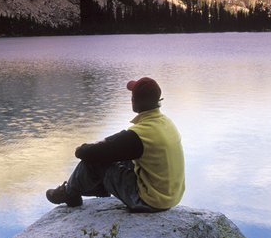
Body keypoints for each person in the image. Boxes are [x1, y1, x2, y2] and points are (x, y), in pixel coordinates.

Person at [46, 77, 185, 212]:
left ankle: (69, 193)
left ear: (134, 101)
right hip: (171, 197)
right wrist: (104, 143)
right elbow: (118, 143)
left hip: (148, 201)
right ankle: (100, 188)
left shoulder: (138, 135)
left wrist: (81, 149)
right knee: (119, 156)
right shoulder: (165, 123)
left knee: (95, 162)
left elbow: (90, 153)